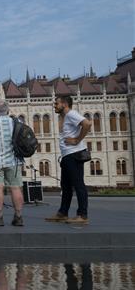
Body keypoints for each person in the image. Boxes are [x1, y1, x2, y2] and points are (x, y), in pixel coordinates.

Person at [47, 96, 91, 225]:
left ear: (65, 104)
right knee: (65, 186)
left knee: (78, 185)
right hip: (67, 155)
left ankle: (82, 215)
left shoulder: (71, 114)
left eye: (57, 103)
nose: (54, 105)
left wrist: (77, 139)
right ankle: (62, 213)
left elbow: (87, 124)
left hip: (74, 154)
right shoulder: (65, 117)